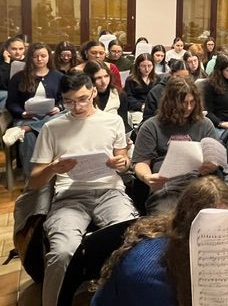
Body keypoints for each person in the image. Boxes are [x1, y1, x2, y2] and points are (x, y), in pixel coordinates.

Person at [28, 71, 137, 306]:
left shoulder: (112, 121)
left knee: (130, 241)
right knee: (62, 252)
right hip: (70, 196)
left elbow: (124, 161)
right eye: (68, 101)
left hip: (109, 191)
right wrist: (53, 168)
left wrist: (122, 163)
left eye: (82, 99)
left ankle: (119, 297)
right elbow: (34, 181)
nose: (76, 107)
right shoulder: (52, 128)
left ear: (94, 92)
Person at [91, 176, 228, 306]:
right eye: (214, 228)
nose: (223, 237)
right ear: (189, 226)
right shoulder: (150, 274)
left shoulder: (184, 240)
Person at [133, 77, 219, 214]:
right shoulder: (151, 126)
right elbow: (141, 162)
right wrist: (147, 177)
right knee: (168, 218)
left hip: (198, 182)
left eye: (192, 102)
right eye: (183, 103)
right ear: (170, 103)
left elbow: (213, 158)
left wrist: (212, 164)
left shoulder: (205, 124)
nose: (189, 107)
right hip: (166, 184)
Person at [4, 42, 64, 178]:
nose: (40, 59)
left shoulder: (58, 76)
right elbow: (11, 103)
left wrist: (58, 107)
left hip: (51, 117)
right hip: (27, 118)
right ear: (30, 57)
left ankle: (26, 129)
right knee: (28, 136)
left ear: (49, 57)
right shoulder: (18, 77)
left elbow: (65, 100)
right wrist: (23, 113)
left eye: (43, 56)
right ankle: (32, 178)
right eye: (35, 56)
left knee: (62, 119)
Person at [84, 60, 129, 131]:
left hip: (114, 132)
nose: (104, 81)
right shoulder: (84, 96)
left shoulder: (120, 94)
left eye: (106, 76)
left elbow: (123, 123)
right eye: (98, 78)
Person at [125, 53, 156, 125]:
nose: (147, 69)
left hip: (153, 109)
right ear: (138, 66)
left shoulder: (157, 78)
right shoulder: (130, 80)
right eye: (143, 66)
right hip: (137, 109)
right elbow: (128, 98)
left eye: (149, 66)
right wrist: (141, 106)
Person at [0, 36, 26, 108]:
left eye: (21, 49)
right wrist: (6, 63)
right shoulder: (2, 61)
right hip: (5, 92)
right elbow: (2, 84)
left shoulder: (28, 61)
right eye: (14, 49)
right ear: (6, 49)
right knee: (6, 94)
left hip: (23, 91)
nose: (18, 52)